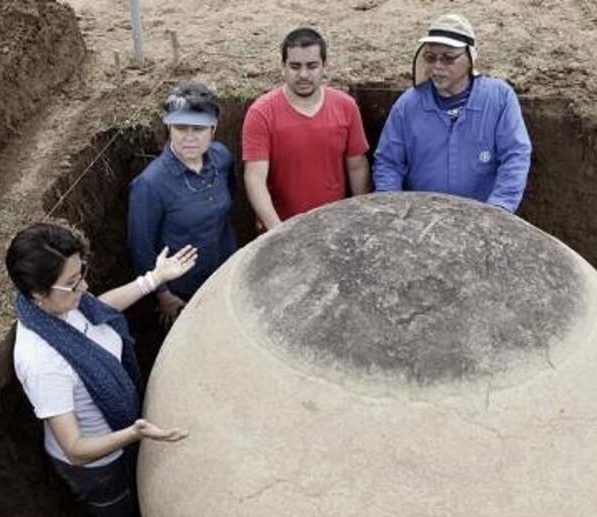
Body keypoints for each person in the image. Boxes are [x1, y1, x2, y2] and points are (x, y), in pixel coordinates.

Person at [7, 221, 198, 517]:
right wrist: (134, 432)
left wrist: (154, 279)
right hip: (98, 468)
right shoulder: (43, 362)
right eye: (71, 283)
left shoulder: (63, 307)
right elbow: (75, 449)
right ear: (38, 294)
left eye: (81, 274)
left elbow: (98, 312)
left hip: (118, 439)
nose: (84, 288)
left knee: (126, 513)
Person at [373, 14, 532, 213]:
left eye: (448, 58)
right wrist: (392, 209)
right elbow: (389, 162)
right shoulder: (408, 105)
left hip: (482, 217)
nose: (437, 66)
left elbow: (515, 155)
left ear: (470, 58)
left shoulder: (499, 98)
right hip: (421, 219)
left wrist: (499, 209)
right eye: (430, 58)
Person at [128, 81, 237, 329]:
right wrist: (163, 295)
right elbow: (141, 247)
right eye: (180, 128)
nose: (189, 137)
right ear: (169, 127)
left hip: (224, 272)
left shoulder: (221, 158)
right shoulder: (150, 184)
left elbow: (229, 203)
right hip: (184, 289)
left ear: (213, 128)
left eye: (198, 128)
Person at [243, 27, 370, 231]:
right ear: (283, 67)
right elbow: (255, 177)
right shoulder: (261, 113)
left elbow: (357, 166)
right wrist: (278, 231)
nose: (303, 74)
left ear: (324, 66)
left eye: (312, 66)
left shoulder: (346, 107)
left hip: (334, 225)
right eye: (295, 66)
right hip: (282, 227)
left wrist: (360, 216)